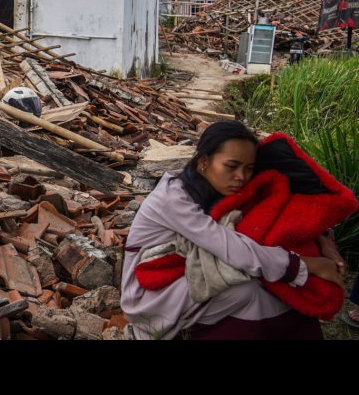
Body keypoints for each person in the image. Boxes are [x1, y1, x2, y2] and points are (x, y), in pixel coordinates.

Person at [121, 120, 346, 339]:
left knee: (274, 291)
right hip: (151, 293)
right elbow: (233, 249)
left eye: (249, 168)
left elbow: (286, 208)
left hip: (191, 268)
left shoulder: (219, 183)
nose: (241, 177)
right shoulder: (172, 198)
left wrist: (323, 240)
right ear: (203, 162)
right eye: (232, 166)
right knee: (250, 291)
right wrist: (305, 266)